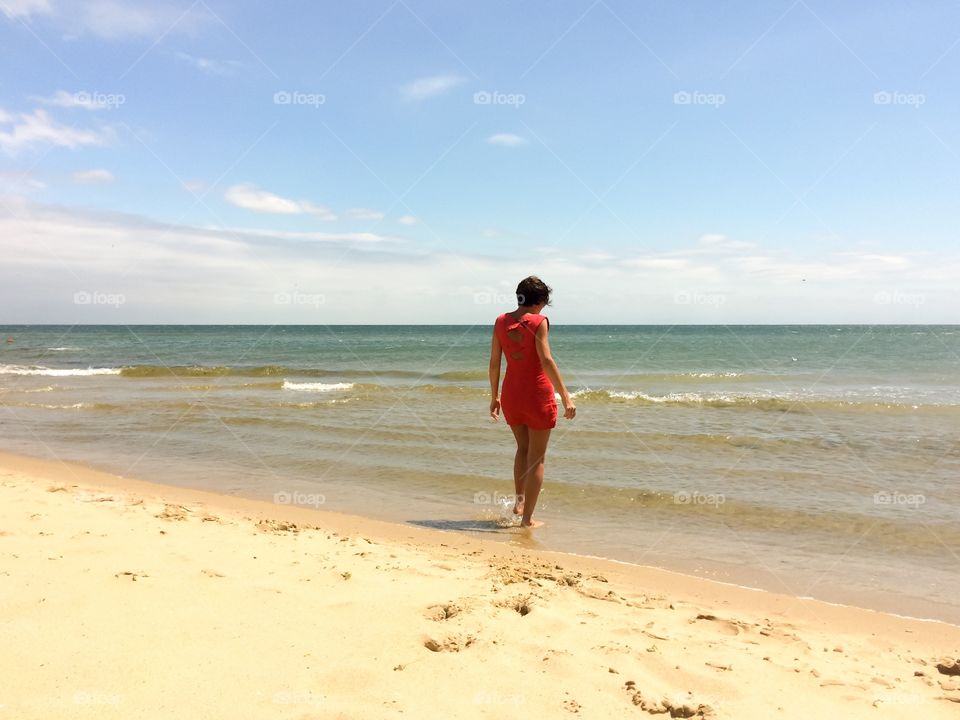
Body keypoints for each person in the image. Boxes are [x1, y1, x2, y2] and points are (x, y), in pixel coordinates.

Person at [488, 276, 575, 528]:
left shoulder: (501, 321)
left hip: (511, 394)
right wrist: (566, 397)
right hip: (536, 395)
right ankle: (527, 520)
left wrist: (494, 396)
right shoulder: (539, 322)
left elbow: (495, 362)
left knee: (522, 449)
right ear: (539, 302)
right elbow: (546, 360)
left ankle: (519, 502)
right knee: (537, 458)